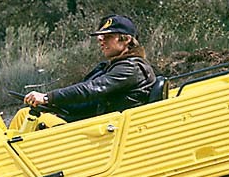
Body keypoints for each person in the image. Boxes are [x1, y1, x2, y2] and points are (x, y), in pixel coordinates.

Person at [9, 15, 157, 131]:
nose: (101, 40)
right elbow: (87, 93)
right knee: (24, 115)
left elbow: (91, 89)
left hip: (103, 131)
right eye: (101, 37)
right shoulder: (115, 66)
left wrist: (48, 98)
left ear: (126, 39)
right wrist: (57, 106)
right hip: (98, 124)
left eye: (108, 36)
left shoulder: (131, 68)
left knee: (27, 117)